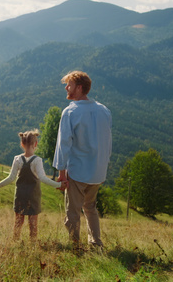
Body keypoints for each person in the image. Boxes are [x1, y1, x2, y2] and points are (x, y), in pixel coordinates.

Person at [53, 70, 112, 248]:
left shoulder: (70, 112)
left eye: (69, 85)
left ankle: (74, 245)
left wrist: (62, 173)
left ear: (79, 88)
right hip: (98, 172)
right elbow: (108, 141)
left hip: (78, 171)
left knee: (73, 211)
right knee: (90, 208)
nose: (66, 87)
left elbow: (63, 144)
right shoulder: (104, 110)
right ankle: (96, 244)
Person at [0, 129, 67, 241]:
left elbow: (11, 178)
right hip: (33, 196)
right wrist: (58, 184)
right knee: (33, 222)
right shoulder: (37, 160)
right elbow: (43, 178)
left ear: (22, 144)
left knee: (18, 221)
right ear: (35, 144)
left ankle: (15, 240)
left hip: (20, 195)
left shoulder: (17, 159)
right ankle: (33, 243)